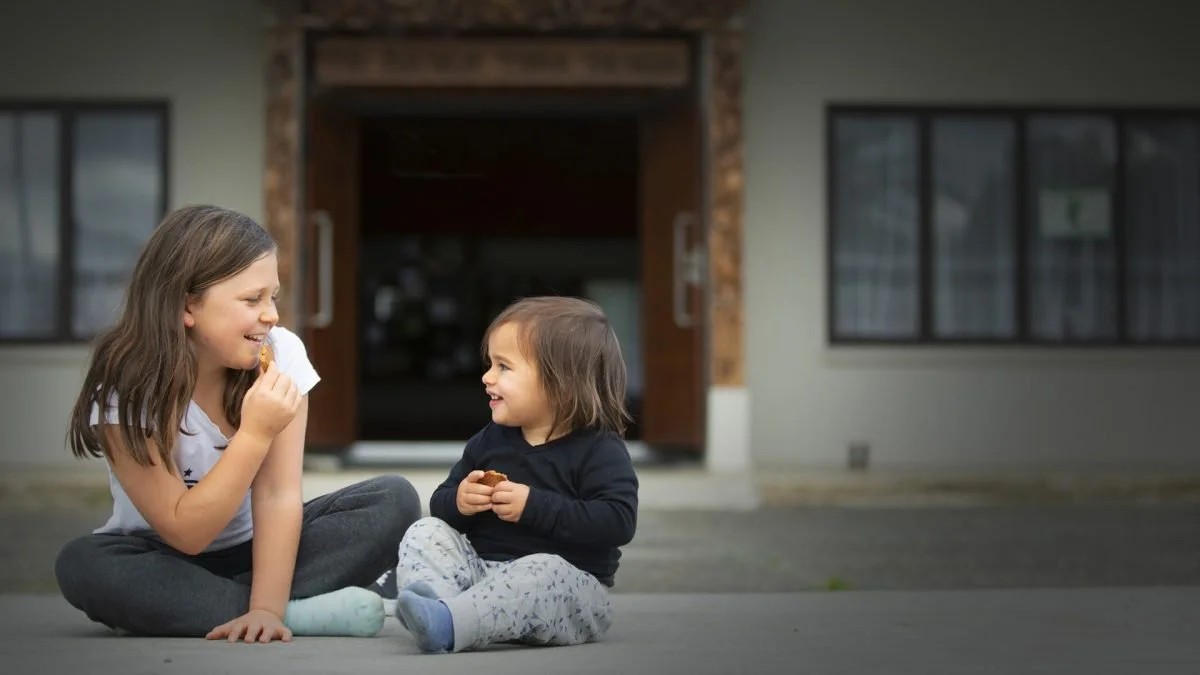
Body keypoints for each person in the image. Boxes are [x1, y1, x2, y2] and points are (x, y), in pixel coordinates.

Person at [54, 204, 422, 642]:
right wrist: (253, 434)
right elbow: (185, 531)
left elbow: (277, 495)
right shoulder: (127, 386)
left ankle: (238, 609)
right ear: (187, 304)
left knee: (393, 499)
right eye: (252, 300)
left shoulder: (281, 355)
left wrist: (265, 606)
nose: (272, 315)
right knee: (82, 565)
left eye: (273, 297)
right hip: (162, 555)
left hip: (258, 550)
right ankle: (301, 613)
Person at [387, 296, 639, 653]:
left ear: (560, 382)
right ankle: (440, 610)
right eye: (490, 364)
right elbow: (442, 503)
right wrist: (460, 501)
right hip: (480, 579)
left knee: (543, 571)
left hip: (566, 592)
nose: (487, 376)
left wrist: (533, 506)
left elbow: (618, 521)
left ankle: (452, 623)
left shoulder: (599, 449)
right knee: (426, 530)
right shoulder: (490, 440)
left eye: (504, 367)